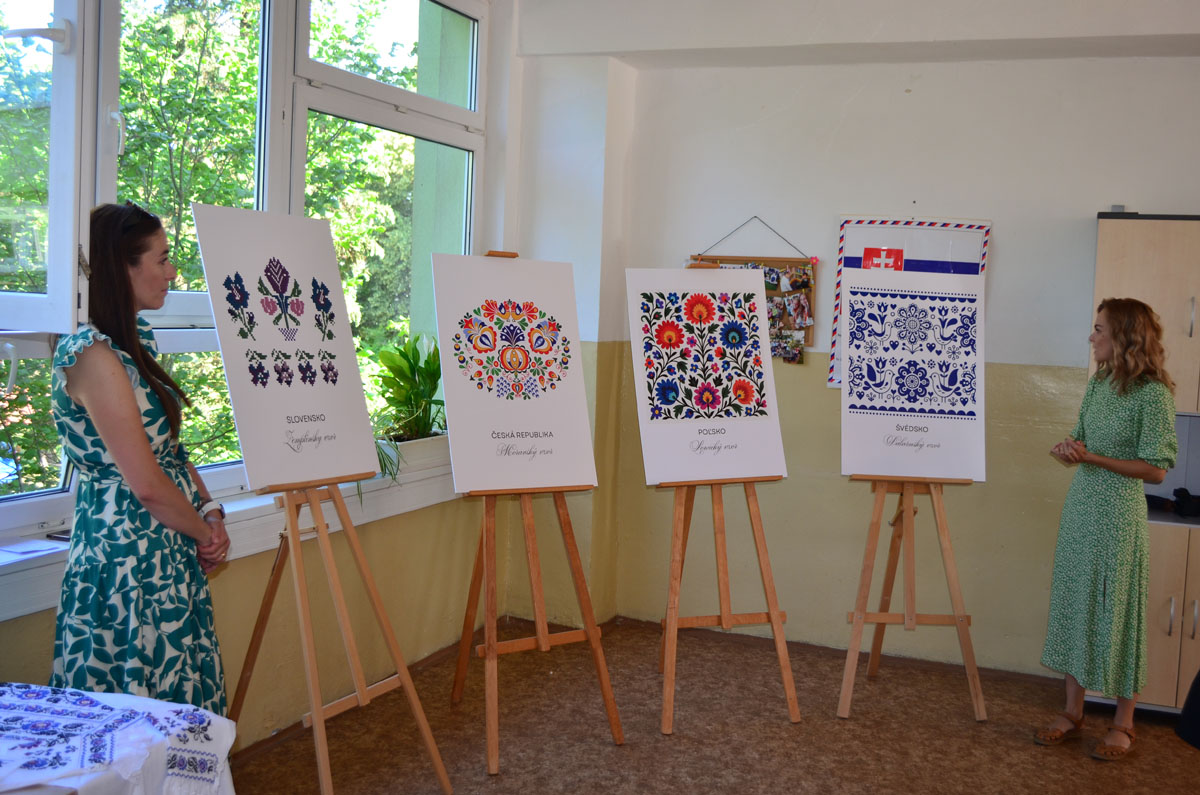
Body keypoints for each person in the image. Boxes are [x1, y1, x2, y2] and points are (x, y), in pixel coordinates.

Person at [48, 202, 229, 714]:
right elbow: (146, 484)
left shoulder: (133, 341)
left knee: (176, 690)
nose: (172, 272)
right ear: (122, 268)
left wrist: (211, 512)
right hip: (126, 555)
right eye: (162, 259)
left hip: (166, 545)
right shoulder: (93, 356)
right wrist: (203, 533)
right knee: (131, 708)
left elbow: (169, 450)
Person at [1035, 298, 1177, 760]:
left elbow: (1156, 470)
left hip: (1118, 517)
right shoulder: (1099, 383)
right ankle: (1073, 712)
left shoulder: (1153, 395)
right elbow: (1081, 437)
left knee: (1118, 611)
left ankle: (1123, 723)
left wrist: (1092, 457)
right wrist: (1070, 449)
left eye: (1099, 329)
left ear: (1125, 336)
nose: (1091, 336)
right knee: (1077, 603)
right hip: (1082, 510)